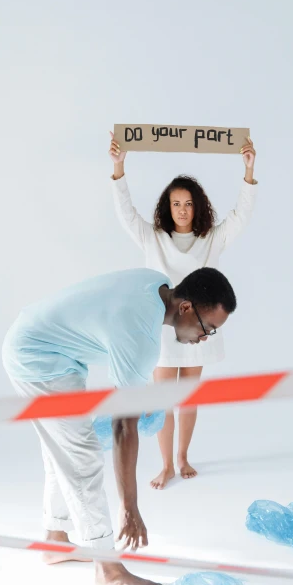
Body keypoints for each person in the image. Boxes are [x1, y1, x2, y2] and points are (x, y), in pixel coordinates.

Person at [2, 266, 237, 585]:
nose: (204, 338)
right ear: (186, 307)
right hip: (35, 356)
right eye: (208, 328)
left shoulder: (156, 284)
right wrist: (129, 506)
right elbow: (123, 425)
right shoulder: (140, 335)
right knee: (79, 454)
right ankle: (108, 570)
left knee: (65, 447)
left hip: (52, 350)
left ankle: (55, 540)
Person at [110, 133, 257, 489]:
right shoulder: (153, 238)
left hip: (197, 332)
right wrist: (119, 167)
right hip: (163, 330)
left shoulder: (211, 239)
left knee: (189, 396)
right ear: (167, 206)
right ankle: (166, 465)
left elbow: (240, 217)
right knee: (164, 399)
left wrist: (248, 173)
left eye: (188, 203)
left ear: (197, 206)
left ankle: (183, 457)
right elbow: (126, 214)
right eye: (176, 203)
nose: (182, 209)